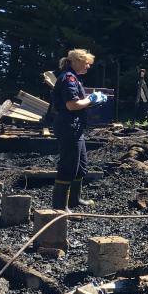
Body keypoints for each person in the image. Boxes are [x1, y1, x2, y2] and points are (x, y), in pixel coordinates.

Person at [51, 48, 108, 210]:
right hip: (68, 127)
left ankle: (74, 200)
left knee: (81, 165)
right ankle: (60, 207)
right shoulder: (68, 78)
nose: (89, 67)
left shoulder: (74, 78)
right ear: (76, 62)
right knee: (68, 165)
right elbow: (72, 105)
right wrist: (91, 99)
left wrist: (91, 100)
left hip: (76, 127)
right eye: (86, 63)